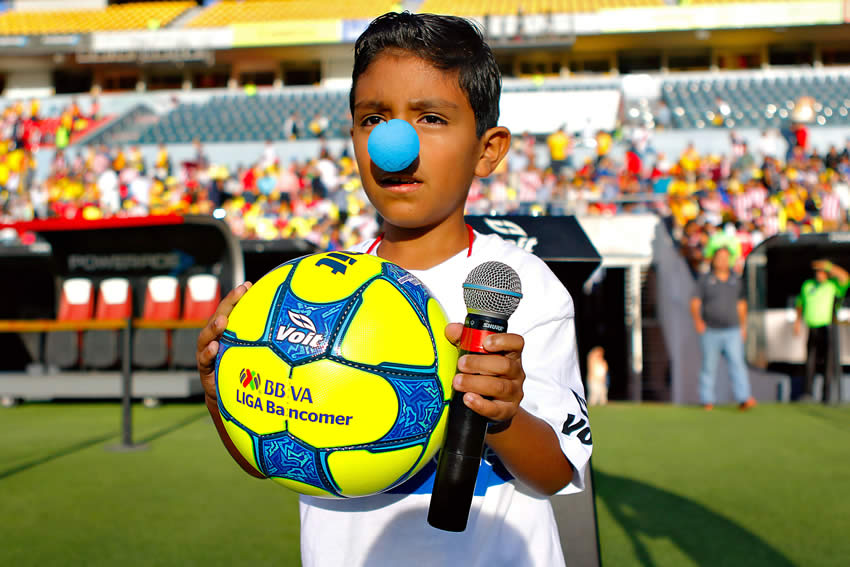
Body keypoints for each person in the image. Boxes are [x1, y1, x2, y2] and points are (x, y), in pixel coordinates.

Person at [196, 12, 591, 567]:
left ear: (488, 149)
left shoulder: (521, 287)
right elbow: (268, 456)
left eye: (430, 118)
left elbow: (554, 472)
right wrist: (223, 389)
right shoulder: (308, 292)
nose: (394, 145)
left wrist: (500, 411)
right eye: (373, 118)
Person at [690, 246, 756, 410]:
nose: (722, 261)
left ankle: (743, 397)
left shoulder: (736, 280)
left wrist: (743, 326)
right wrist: (698, 321)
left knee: (737, 364)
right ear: (714, 260)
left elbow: (741, 305)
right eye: (719, 258)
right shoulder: (705, 280)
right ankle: (707, 400)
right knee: (709, 367)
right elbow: (695, 302)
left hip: (732, 330)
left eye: (726, 258)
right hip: (710, 330)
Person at [794, 259, 850, 401]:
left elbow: (845, 277)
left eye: (822, 272)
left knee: (828, 362)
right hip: (812, 327)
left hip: (827, 327)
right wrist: (797, 322)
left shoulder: (833, 286)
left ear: (826, 274)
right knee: (810, 361)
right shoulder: (808, 285)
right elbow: (800, 304)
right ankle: (807, 393)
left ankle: (827, 396)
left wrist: (829, 266)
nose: (819, 275)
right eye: (817, 272)